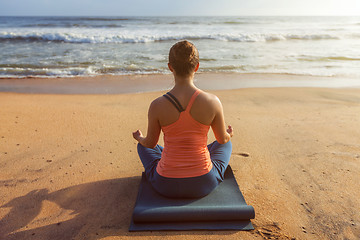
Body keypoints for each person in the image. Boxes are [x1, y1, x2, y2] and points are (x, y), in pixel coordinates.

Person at [132, 40, 233, 198]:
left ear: (170, 67)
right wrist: (229, 134)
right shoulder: (213, 101)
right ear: (197, 66)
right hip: (203, 183)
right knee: (225, 145)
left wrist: (139, 138)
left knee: (142, 147)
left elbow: (150, 143)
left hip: (165, 184)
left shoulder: (157, 105)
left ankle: (172, 161)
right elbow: (222, 139)